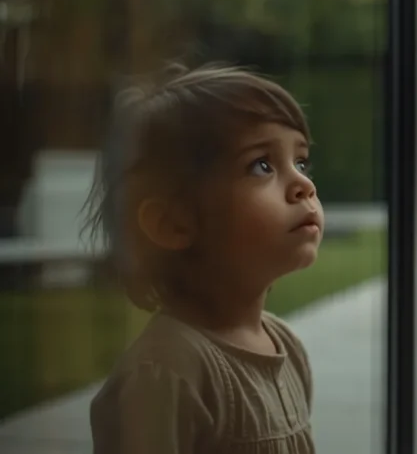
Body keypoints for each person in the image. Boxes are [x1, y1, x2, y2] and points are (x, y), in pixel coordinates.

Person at [86, 63, 321, 454]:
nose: (304, 185)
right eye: (261, 165)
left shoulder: (287, 347)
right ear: (172, 223)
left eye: (300, 162)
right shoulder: (165, 373)